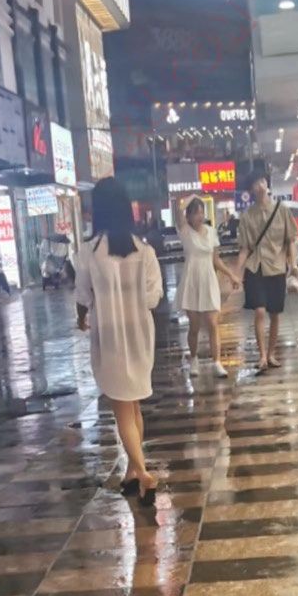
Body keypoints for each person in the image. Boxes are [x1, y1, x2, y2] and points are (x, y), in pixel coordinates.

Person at [75, 177, 163, 504]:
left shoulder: (90, 252)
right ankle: (131, 473)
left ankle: (143, 473)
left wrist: (82, 317)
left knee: (122, 409)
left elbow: (82, 294)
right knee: (133, 403)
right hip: (140, 334)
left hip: (110, 334)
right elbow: (153, 297)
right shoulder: (144, 250)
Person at [237, 169, 298, 374]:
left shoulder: (282, 210)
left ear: (267, 184)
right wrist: (236, 273)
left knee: (275, 313)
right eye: (255, 183)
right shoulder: (247, 216)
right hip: (256, 267)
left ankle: (271, 354)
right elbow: (245, 248)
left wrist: (294, 265)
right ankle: (262, 355)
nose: (260, 186)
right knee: (259, 311)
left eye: (262, 181)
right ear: (251, 190)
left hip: (276, 268)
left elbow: (290, 240)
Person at [176, 195, 240, 378]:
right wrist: (192, 197)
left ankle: (217, 362)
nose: (200, 216)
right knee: (194, 326)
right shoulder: (185, 232)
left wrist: (231, 275)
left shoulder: (211, 232)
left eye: (201, 212)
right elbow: (179, 212)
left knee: (213, 323)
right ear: (189, 216)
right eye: (196, 213)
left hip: (208, 279)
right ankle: (194, 359)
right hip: (192, 281)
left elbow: (216, 259)